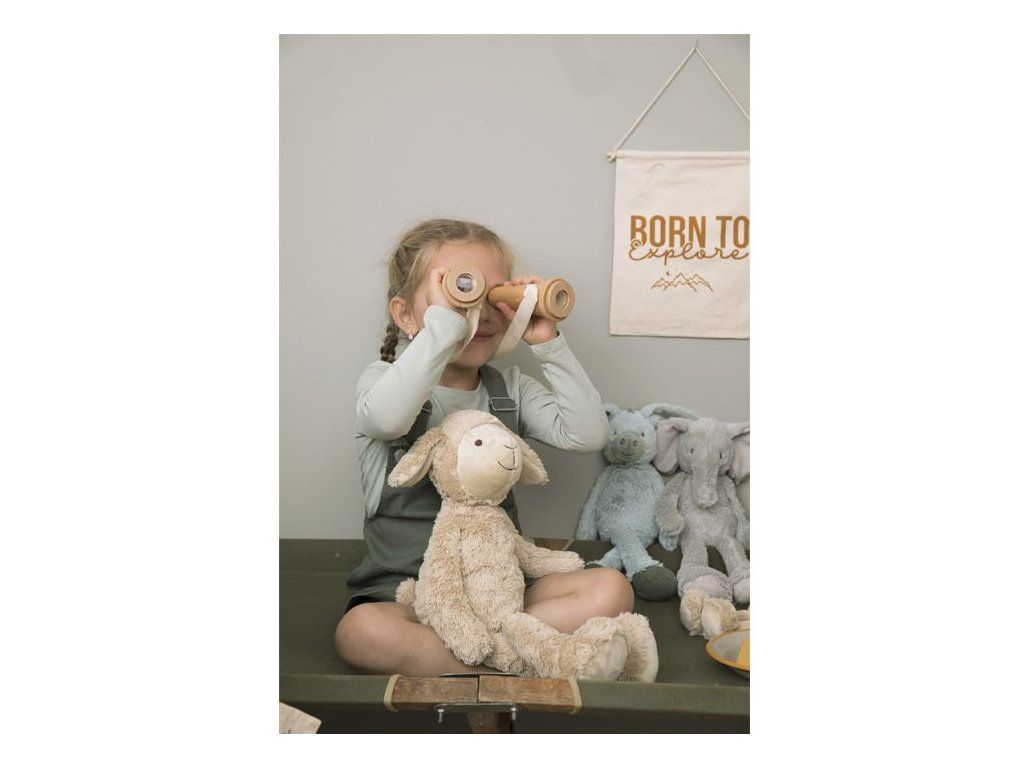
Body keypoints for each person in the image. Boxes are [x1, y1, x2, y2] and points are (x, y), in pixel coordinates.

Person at [334, 219, 631, 676]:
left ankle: (480, 657)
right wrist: (442, 330)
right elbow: (389, 420)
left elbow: (588, 433)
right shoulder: (382, 383)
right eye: (460, 291)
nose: (481, 312)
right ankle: (526, 656)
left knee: (612, 589)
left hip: (500, 589)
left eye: (496, 296)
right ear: (406, 316)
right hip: (408, 594)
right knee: (361, 632)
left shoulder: (510, 389)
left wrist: (547, 340)